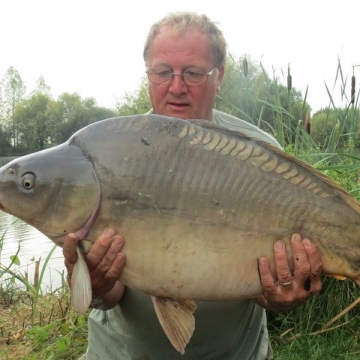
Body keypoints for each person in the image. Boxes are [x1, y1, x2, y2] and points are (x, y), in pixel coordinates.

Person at [63, 12, 323, 360]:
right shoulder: (110, 155)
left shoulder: (262, 155)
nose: (176, 87)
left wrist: (285, 294)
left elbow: (266, 289)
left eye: (193, 73)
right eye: (162, 72)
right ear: (148, 75)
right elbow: (106, 294)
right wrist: (95, 285)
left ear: (219, 77)